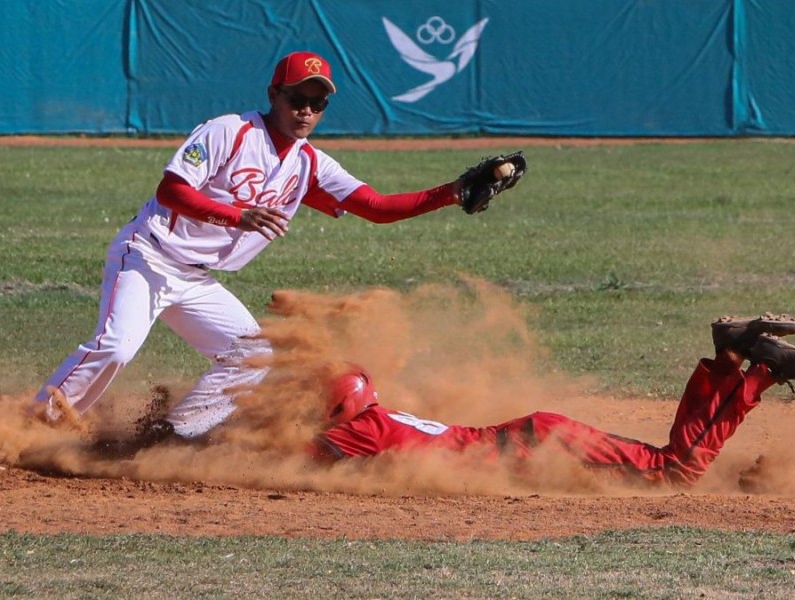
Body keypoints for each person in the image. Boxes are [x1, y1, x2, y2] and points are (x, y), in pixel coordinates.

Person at [36, 51, 476, 443]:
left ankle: (170, 434)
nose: (306, 111)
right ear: (273, 94)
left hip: (194, 278)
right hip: (147, 256)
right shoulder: (230, 132)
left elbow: (377, 207)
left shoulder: (309, 162)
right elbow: (171, 190)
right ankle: (36, 425)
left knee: (252, 356)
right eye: (297, 98)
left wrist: (451, 193)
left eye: (318, 103)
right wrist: (237, 216)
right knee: (116, 346)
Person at [310, 315, 795, 487]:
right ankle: (732, 355)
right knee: (665, 464)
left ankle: (764, 370)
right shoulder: (379, 416)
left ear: (339, 410)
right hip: (532, 438)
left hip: (541, 447)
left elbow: (295, 462)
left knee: (675, 473)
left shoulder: (359, 430)